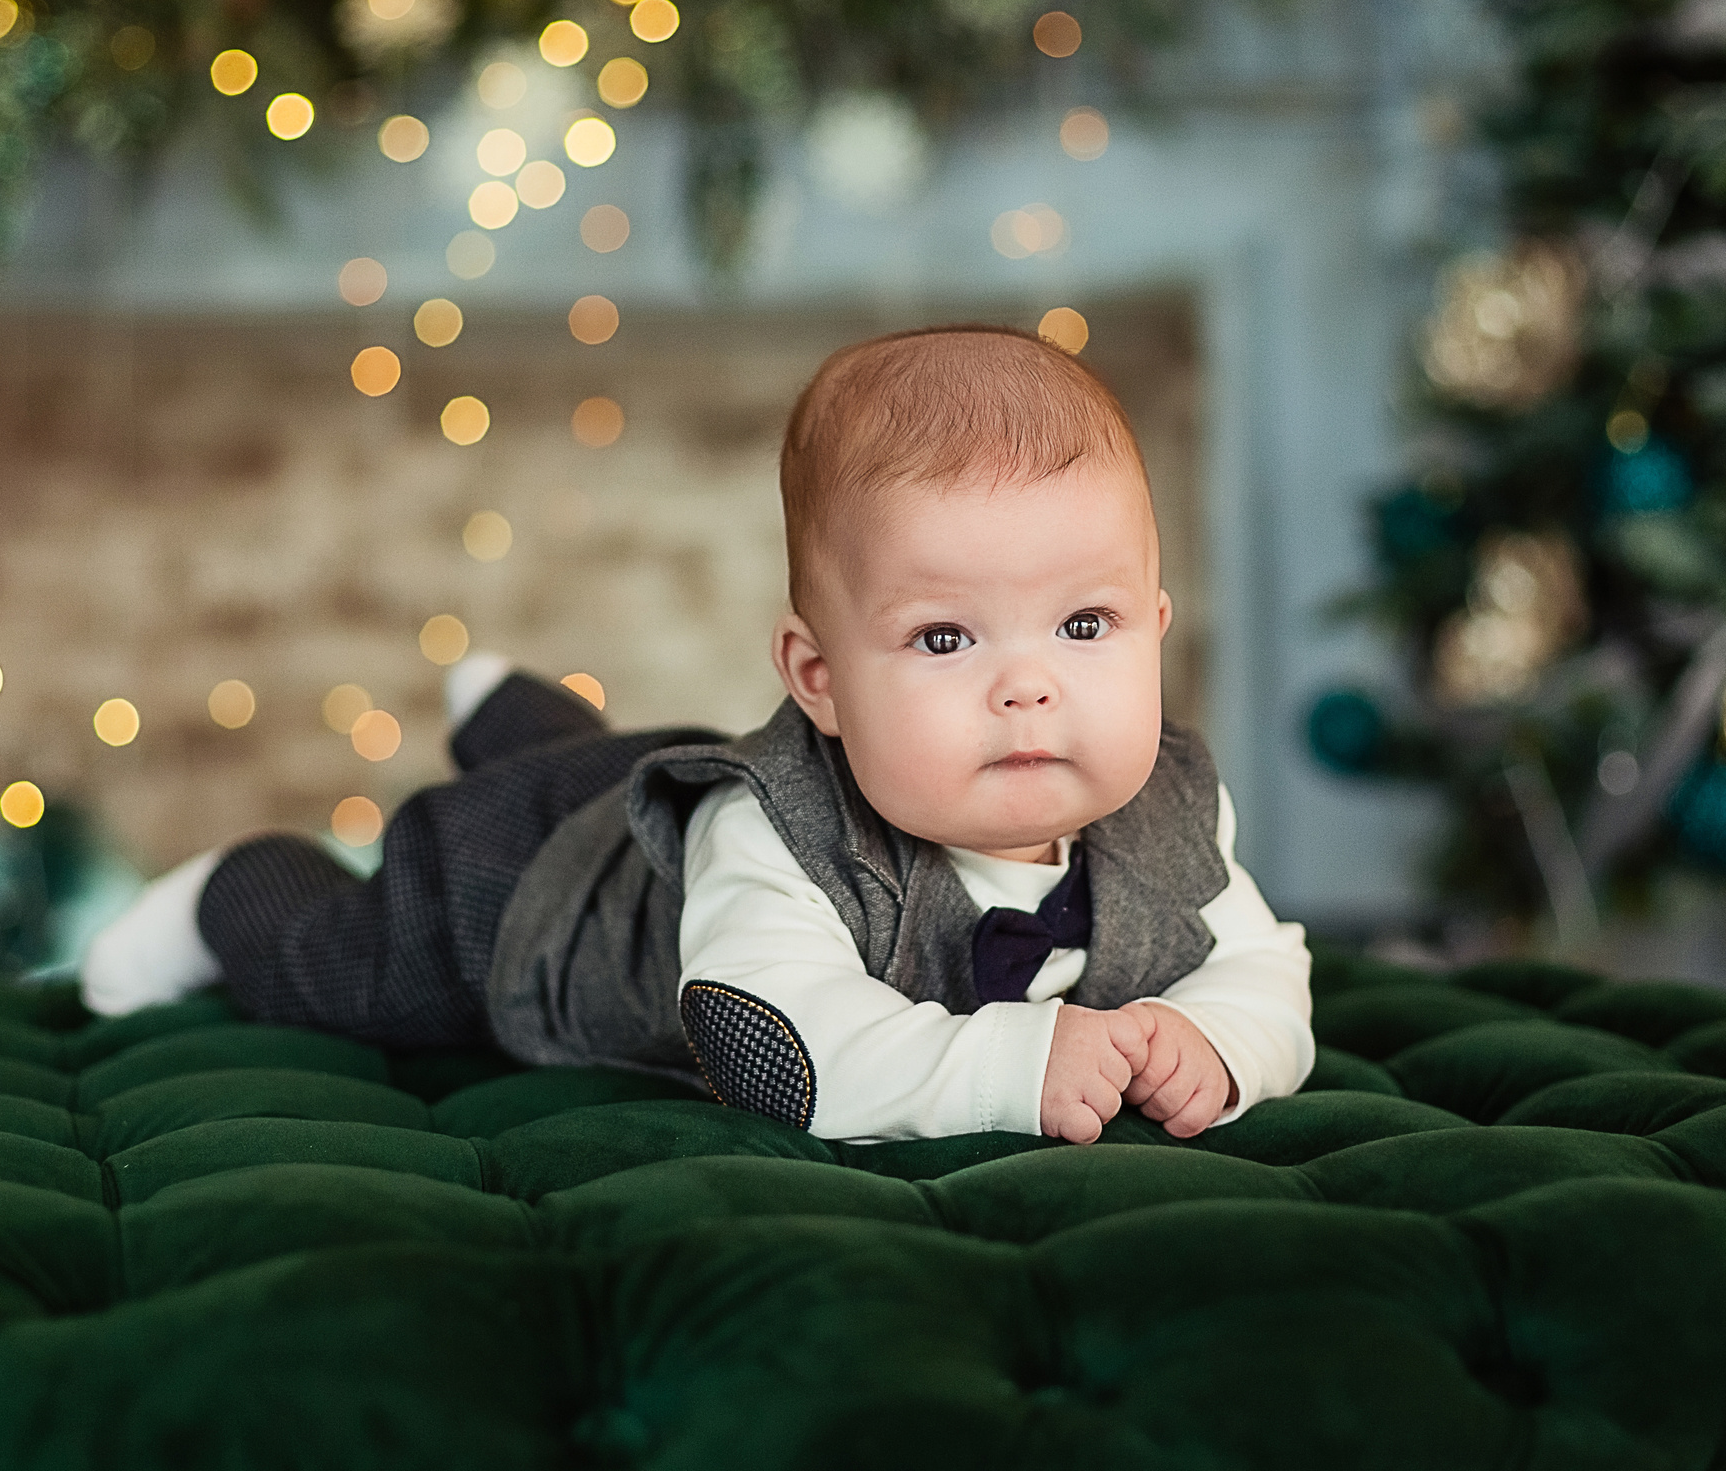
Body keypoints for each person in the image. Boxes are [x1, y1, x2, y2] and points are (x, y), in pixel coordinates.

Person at [83, 325, 1313, 1144]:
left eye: (1085, 623)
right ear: (818, 679)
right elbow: (768, 1035)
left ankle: (523, 720)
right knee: (344, 968)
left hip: (646, 787)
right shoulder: (767, 833)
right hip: (529, 895)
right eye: (946, 639)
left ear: (1157, 625)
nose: (1028, 687)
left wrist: (1217, 1038)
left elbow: (1266, 968)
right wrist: (1010, 1066)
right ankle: (230, 888)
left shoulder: (1173, 813)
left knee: (608, 763)